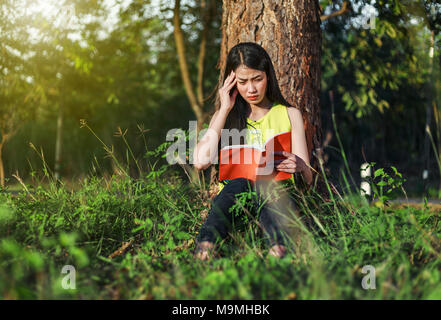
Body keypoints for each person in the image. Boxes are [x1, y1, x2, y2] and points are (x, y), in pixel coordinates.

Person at [192, 42, 313, 260]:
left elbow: (309, 178)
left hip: (276, 191)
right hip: (235, 197)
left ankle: (278, 249)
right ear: (231, 83)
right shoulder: (226, 117)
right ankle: (206, 246)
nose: (251, 89)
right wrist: (223, 109)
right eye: (243, 82)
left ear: (268, 76)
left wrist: (301, 166)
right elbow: (200, 162)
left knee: (268, 186)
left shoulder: (289, 114)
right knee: (238, 183)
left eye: (257, 79)